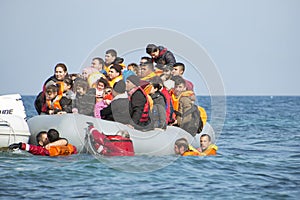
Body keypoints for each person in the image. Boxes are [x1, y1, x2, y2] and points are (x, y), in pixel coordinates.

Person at [9, 129, 77, 156]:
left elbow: (36, 149)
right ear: (41, 143)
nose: (49, 139)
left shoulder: (47, 151)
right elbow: (37, 149)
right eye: (46, 138)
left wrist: (21, 146)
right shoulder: (71, 148)